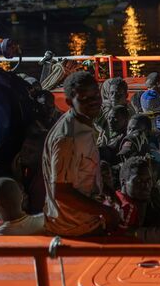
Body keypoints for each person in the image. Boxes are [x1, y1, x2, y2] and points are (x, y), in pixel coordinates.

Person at [42, 71, 119, 236]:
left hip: (86, 220)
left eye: (95, 96)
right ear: (70, 102)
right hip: (73, 228)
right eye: (84, 99)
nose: (93, 102)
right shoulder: (67, 139)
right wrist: (105, 211)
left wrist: (105, 189)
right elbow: (61, 191)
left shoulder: (84, 123)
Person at [113, 156, 153, 230]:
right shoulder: (126, 209)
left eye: (148, 180)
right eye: (138, 181)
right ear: (123, 183)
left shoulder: (116, 195)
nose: (146, 186)